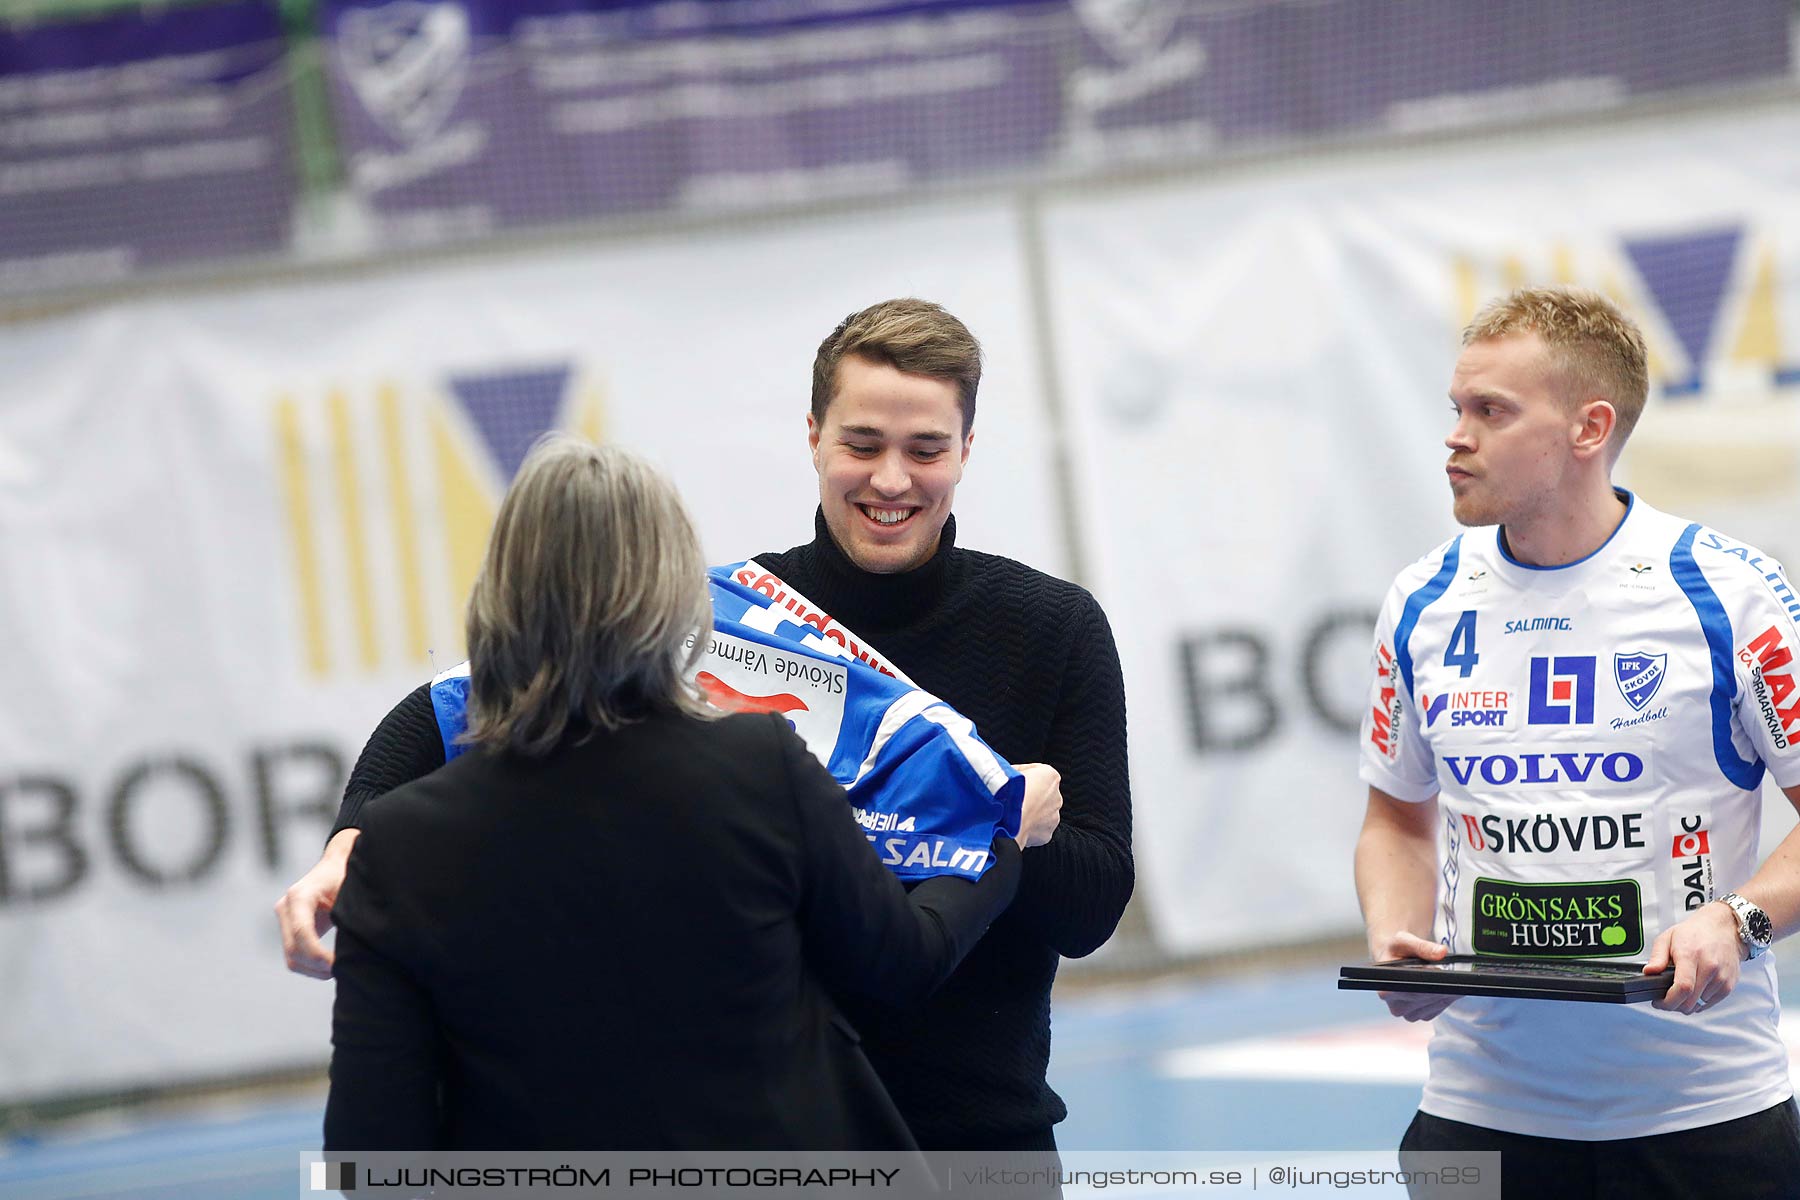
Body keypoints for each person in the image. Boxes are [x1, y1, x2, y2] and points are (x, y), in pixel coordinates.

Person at [283, 298, 1134, 1151]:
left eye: (926, 450)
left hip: (987, 1135)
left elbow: (1092, 909)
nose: (890, 480)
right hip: (781, 1139)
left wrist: (1008, 822)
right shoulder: (725, 621)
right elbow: (444, 709)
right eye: (862, 444)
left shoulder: (1052, 629)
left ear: (966, 450)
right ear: (813, 436)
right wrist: (348, 842)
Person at [1355, 286, 1800, 1196]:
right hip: (1482, 1110)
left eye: (1492, 411)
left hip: (1704, 1113)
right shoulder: (1423, 601)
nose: (1456, 436)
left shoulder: (1727, 593)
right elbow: (1397, 817)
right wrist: (1395, 934)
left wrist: (1739, 920)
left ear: (1589, 429)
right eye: (1457, 409)